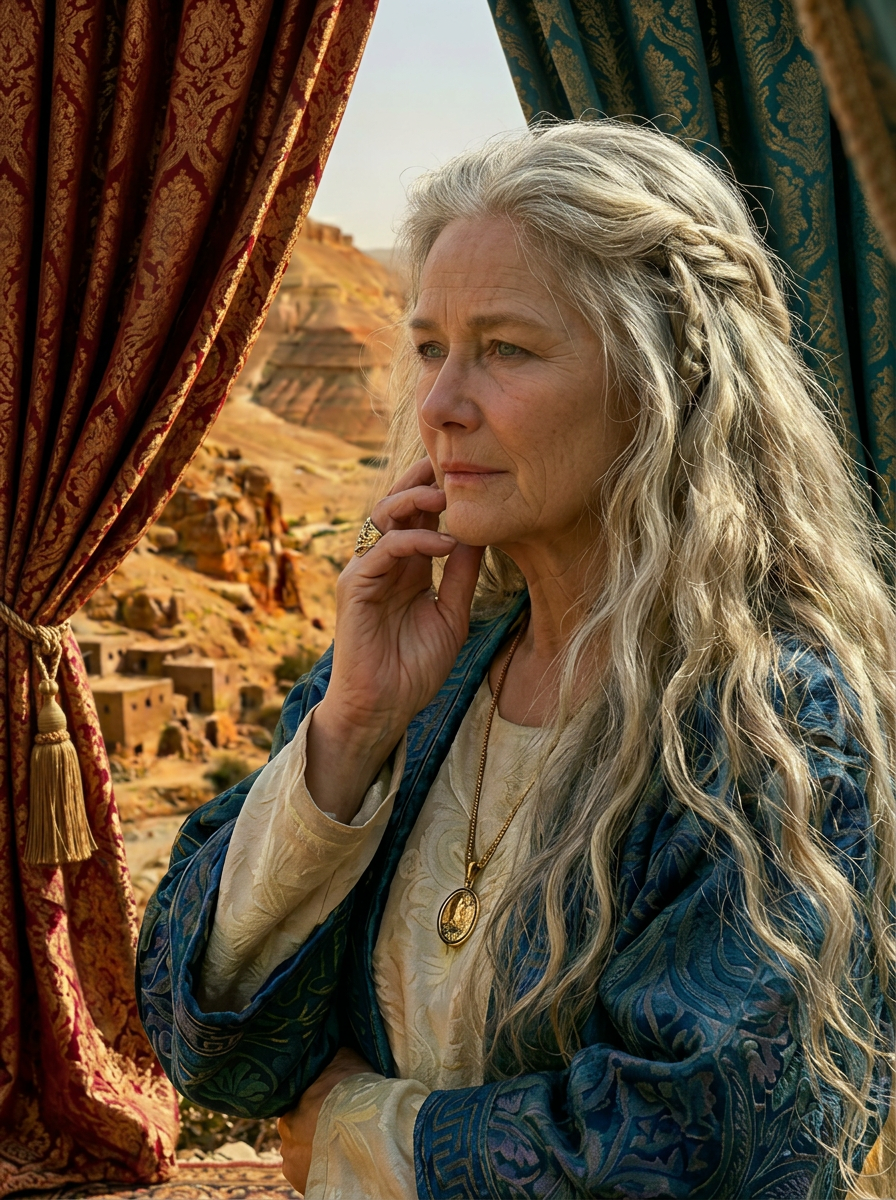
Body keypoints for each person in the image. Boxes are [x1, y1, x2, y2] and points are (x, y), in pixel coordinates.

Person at [138, 120, 896, 1198]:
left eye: (504, 348)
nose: (441, 406)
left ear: (661, 382)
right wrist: (347, 733)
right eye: (429, 347)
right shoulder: (425, 674)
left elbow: (691, 1146)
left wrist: (360, 1134)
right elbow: (212, 1041)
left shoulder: (772, 727)